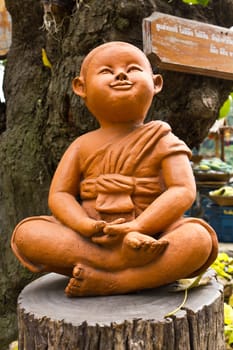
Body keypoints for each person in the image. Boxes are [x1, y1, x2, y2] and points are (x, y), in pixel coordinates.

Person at [11, 41, 218, 297]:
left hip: (152, 233)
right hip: (93, 239)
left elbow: (182, 190)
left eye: (132, 68)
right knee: (27, 234)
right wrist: (85, 225)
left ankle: (118, 282)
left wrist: (139, 226)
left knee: (197, 239)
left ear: (156, 84)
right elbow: (59, 195)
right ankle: (119, 264)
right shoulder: (81, 145)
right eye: (106, 71)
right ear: (81, 87)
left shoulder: (163, 138)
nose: (121, 74)